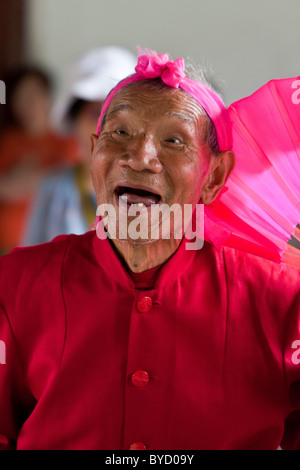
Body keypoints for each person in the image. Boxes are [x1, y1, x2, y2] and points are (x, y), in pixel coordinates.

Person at [0, 50, 299, 450]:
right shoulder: (15, 286)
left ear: (215, 177)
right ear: (93, 153)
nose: (139, 157)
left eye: (174, 140)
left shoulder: (280, 301)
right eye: (120, 133)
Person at [22, 47, 136, 245]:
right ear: (75, 121)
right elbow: (29, 266)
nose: (106, 123)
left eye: (119, 112)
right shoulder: (53, 189)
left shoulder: (152, 192)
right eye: (95, 113)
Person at [0, 66, 79, 255]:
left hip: (46, 248)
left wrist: (19, 177)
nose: (27, 104)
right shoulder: (8, 141)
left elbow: (58, 184)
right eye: (20, 97)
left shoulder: (67, 144)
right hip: (5, 246)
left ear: (48, 99)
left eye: (33, 96)